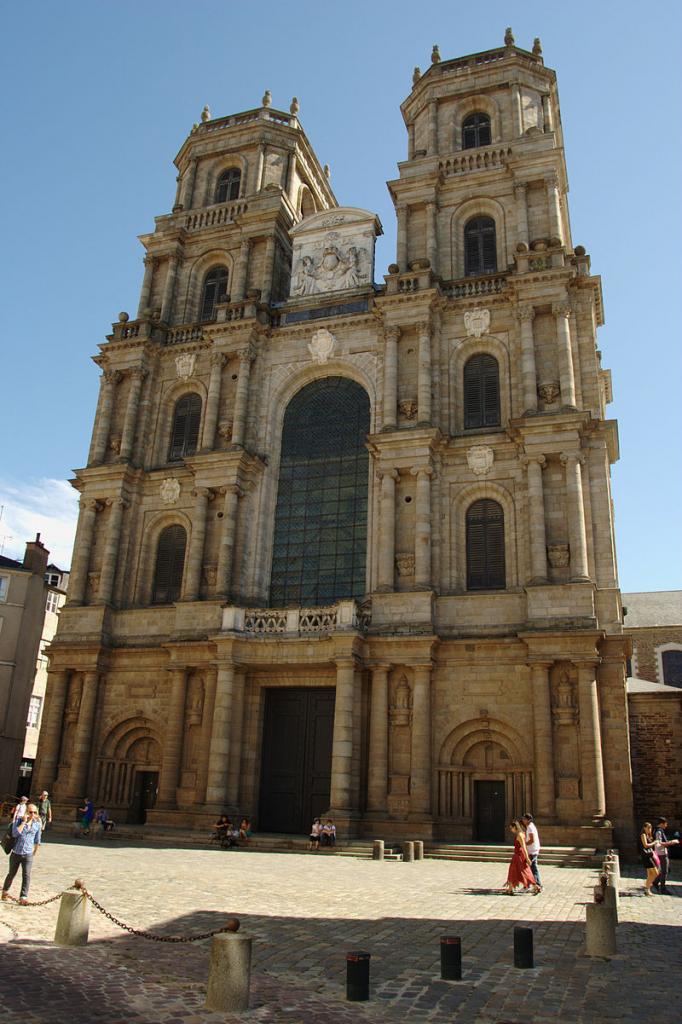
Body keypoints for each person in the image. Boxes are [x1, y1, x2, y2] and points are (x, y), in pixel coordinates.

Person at [2, 803, 42, 905]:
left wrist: (34, 852)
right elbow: (15, 833)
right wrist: (24, 822)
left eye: (34, 812)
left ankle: (23, 897)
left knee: (26, 875)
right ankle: (5, 891)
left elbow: (37, 840)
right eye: (30, 812)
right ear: (26, 812)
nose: (32, 814)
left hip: (28, 853)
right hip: (16, 852)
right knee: (11, 873)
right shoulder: (18, 822)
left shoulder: (37, 824)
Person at [502, 820, 541, 895]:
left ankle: (536, 886)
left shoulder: (520, 835)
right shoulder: (523, 834)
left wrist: (527, 858)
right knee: (515, 872)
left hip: (518, 856)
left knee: (522, 872)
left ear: (515, 827)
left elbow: (524, 847)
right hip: (519, 855)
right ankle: (510, 889)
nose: (511, 830)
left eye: (511, 828)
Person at [652, 817, 679, 894]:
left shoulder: (658, 830)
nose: (666, 826)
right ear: (662, 823)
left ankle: (656, 882)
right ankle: (662, 888)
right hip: (661, 853)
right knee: (665, 871)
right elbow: (659, 843)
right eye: (665, 824)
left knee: (665, 870)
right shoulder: (658, 832)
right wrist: (672, 842)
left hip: (662, 852)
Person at [521, 812, 542, 891]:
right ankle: (529, 885)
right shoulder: (531, 826)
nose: (523, 820)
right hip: (533, 850)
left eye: (524, 819)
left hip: (532, 850)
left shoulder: (530, 827)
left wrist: (524, 844)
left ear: (528, 820)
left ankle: (536, 885)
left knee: (531, 868)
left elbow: (532, 840)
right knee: (530, 868)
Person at [639, 821, 659, 896]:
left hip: (649, 855)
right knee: (655, 873)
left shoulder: (648, 835)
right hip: (646, 856)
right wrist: (654, 843)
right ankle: (647, 888)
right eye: (648, 828)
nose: (650, 829)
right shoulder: (643, 835)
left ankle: (647, 890)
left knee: (650, 874)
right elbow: (646, 845)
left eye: (650, 828)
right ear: (644, 828)